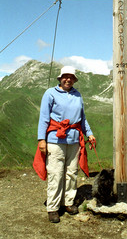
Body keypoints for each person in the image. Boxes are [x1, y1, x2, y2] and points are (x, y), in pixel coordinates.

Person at [35, 66, 96, 223]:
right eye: (65, 76)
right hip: (55, 140)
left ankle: (68, 202)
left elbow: (82, 117)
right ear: (60, 78)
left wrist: (89, 133)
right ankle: (53, 208)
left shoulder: (77, 95)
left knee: (71, 173)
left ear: (74, 79)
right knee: (56, 173)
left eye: (71, 77)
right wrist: (41, 139)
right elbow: (44, 117)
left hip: (74, 140)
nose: (68, 79)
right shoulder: (50, 93)